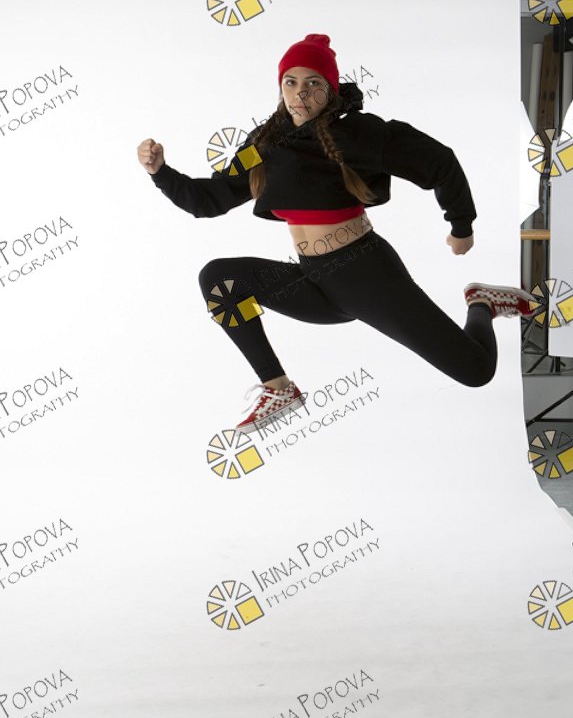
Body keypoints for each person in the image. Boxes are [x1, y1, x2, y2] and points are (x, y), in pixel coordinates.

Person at [137, 33, 532, 430]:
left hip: (367, 276)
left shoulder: (359, 133)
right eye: (290, 82)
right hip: (314, 282)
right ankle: (278, 388)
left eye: (313, 83)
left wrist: (461, 226)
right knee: (218, 280)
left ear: (330, 88)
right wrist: (161, 172)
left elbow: (440, 162)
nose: (300, 94)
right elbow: (209, 200)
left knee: (476, 370)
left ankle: (481, 303)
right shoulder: (264, 145)